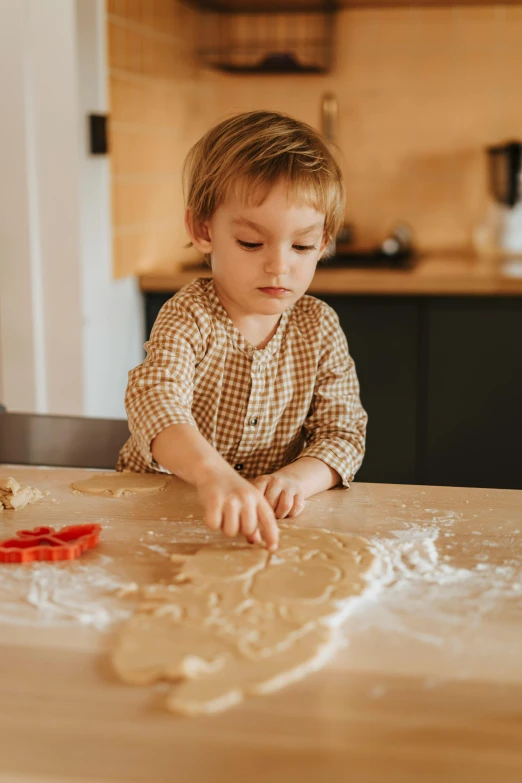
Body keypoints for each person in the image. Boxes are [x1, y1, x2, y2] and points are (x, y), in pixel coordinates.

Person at [118, 111, 367, 552]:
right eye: (252, 243)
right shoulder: (190, 315)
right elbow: (156, 400)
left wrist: (295, 480)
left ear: (324, 241)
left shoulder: (320, 327)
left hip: (269, 523)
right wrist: (213, 474)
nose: (279, 265)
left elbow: (342, 434)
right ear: (203, 229)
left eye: (303, 245)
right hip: (161, 512)